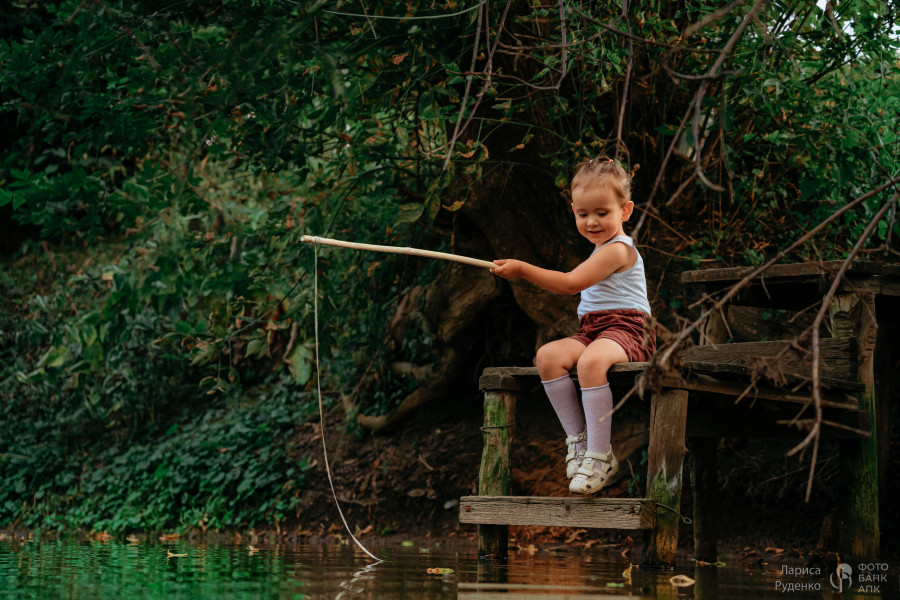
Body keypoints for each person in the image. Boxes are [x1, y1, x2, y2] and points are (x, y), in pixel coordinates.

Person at [491, 157, 655, 495]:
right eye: (583, 214)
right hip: (594, 329)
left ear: (625, 211)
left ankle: (600, 455)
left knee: (590, 362)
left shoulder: (618, 250)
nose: (591, 222)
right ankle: (578, 441)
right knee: (548, 356)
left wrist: (522, 269)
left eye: (602, 213)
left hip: (629, 329)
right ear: (573, 210)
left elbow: (569, 284)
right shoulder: (598, 249)